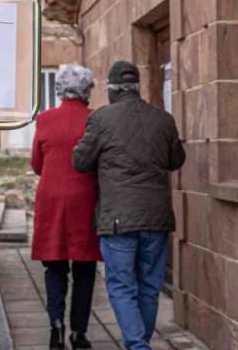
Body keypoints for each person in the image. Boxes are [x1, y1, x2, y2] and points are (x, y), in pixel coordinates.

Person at [72, 61, 186, 350]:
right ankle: (140, 343)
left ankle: (137, 346)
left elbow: (81, 162)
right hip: (157, 218)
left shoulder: (101, 120)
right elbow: (176, 160)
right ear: (137, 88)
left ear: (111, 90)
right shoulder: (164, 119)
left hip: (118, 219)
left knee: (122, 287)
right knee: (149, 288)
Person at [31, 64, 102, 350]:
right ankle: (79, 333)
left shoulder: (45, 119)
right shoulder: (95, 119)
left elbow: (37, 164)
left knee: (55, 267)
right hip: (85, 199)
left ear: (60, 89)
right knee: (85, 268)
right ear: (87, 90)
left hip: (51, 200)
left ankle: (56, 327)